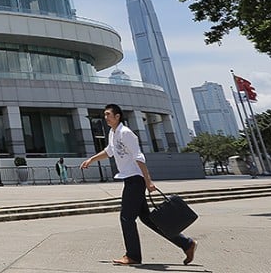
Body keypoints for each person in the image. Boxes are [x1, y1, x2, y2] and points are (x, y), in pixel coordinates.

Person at [81, 104, 197, 266]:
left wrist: (148, 180)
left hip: (135, 179)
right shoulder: (113, 133)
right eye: (105, 114)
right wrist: (91, 160)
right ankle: (186, 244)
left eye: (108, 114)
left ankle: (133, 256)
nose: (106, 117)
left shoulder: (126, 133)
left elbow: (139, 157)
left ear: (117, 116)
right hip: (130, 179)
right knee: (149, 219)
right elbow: (109, 151)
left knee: (126, 218)